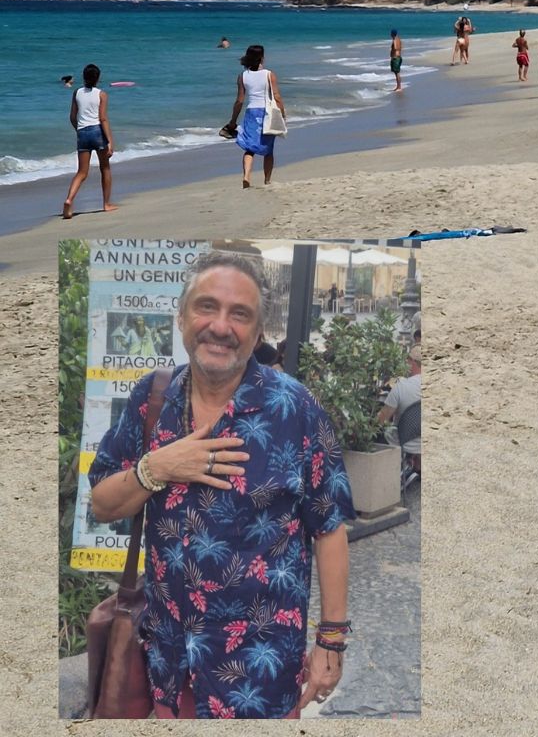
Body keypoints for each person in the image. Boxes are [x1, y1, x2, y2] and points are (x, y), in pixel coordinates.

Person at [86, 252, 354, 718]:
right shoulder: (153, 398)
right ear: (183, 316)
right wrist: (158, 467)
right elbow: (102, 505)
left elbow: (329, 527)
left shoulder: (295, 409)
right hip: (169, 662)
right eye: (206, 307)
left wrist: (331, 640)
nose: (221, 326)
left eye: (240, 314)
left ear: (257, 330)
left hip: (261, 675)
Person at [62, 62, 119, 219]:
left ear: (83, 77)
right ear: (98, 78)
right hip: (97, 132)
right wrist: (110, 141)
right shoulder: (102, 94)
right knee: (105, 168)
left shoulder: (76, 93)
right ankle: (106, 204)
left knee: (81, 172)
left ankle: (69, 199)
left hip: (83, 133)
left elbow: (72, 117)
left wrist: (79, 131)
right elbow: (103, 119)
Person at [224, 45, 285, 188]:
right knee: (268, 149)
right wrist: (282, 114)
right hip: (266, 113)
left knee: (249, 148)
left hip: (251, 113)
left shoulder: (243, 76)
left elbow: (239, 101)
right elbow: (277, 96)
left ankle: (246, 177)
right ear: (262, 57)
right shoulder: (269, 74)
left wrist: (233, 121)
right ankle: (267, 180)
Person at [377, 345, 421, 476]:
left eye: (407, 360)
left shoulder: (401, 387)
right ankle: (417, 464)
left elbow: (381, 419)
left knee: (381, 433)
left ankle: (389, 476)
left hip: (405, 441)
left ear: (412, 362)